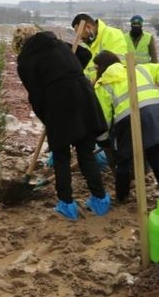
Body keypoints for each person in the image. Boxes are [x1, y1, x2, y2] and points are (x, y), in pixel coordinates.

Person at [12, 25, 111, 220]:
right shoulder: (57, 44)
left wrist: (47, 118)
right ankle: (100, 201)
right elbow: (83, 53)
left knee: (61, 156)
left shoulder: (25, 62)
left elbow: (36, 95)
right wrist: (70, 71)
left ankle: (67, 205)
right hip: (83, 96)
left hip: (58, 104)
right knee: (86, 153)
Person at [92, 51, 159, 204]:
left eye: (96, 68)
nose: (96, 71)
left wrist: (103, 139)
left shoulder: (103, 84)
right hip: (157, 114)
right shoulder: (139, 69)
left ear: (102, 66)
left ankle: (122, 197)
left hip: (128, 121)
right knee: (154, 157)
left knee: (124, 161)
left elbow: (104, 117)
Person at [70, 13, 128, 81]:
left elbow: (117, 66)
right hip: (95, 86)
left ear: (88, 27)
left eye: (80, 34)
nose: (80, 38)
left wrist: (95, 82)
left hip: (110, 85)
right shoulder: (89, 43)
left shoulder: (112, 34)